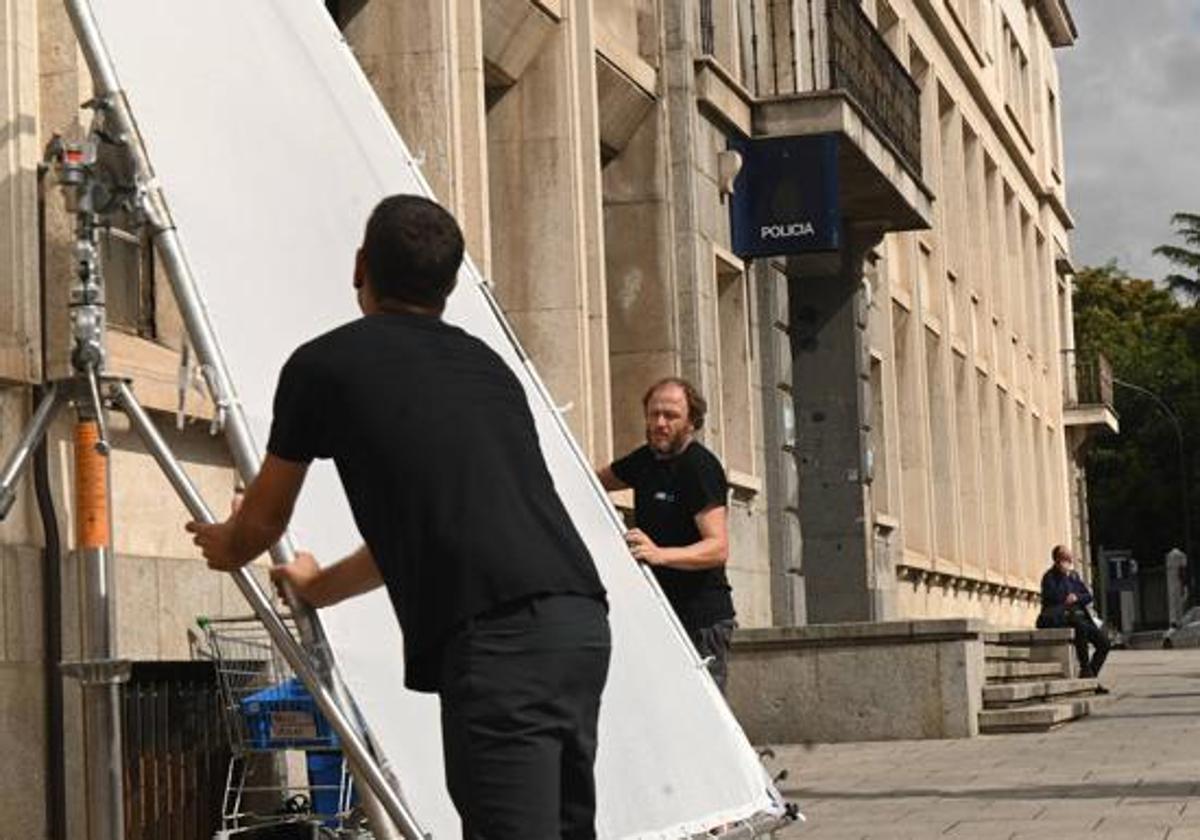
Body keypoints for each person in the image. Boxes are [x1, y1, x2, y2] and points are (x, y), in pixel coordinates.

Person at [187, 194, 611, 839]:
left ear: (361, 266)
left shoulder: (323, 365)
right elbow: (424, 530)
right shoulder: (485, 365)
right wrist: (315, 586)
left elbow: (264, 521)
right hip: (576, 623)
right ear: (448, 284)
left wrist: (228, 544)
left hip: (499, 638)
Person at [597, 378, 736, 692]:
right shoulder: (644, 460)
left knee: (703, 714)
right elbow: (590, 481)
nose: (660, 423)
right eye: (653, 414)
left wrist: (660, 554)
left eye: (671, 416)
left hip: (701, 620)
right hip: (658, 611)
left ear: (691, 422)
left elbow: (717, 548)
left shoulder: (699, 468)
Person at [1037, 545, 1110, 688]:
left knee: (1104, 643)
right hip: (1060, 617)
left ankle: (1089, 676)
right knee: (1080, 627)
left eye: (1069, 559)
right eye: (1065, 559)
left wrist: (1076, 597)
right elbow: (1051, 597)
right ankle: (1085, 668)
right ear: (1057, 560)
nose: (1068, 562)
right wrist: (1065, 584)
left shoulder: (1074, 576)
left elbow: (1088, 596)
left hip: (1079, 616)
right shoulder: (1050, 577)